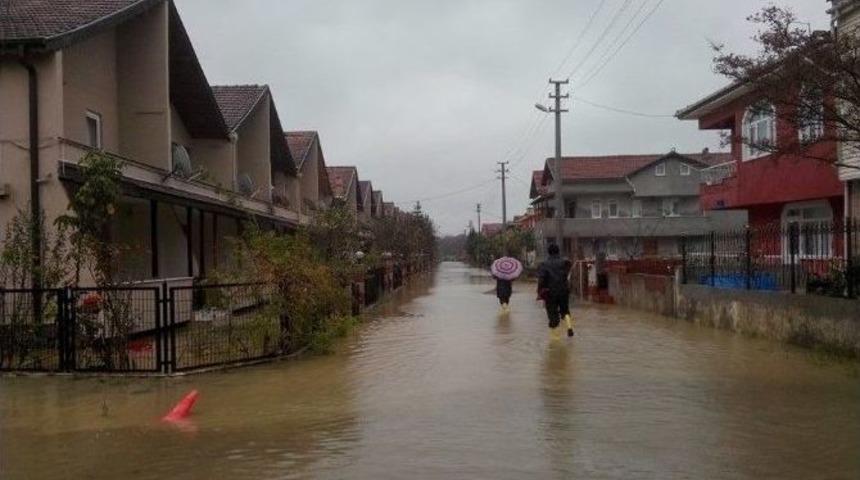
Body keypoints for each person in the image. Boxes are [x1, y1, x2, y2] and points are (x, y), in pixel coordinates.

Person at [537, 244, 575, 339]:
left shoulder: (544, 264)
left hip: (550, 293)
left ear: (548, 252)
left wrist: (539, 291)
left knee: (553, 315)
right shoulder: (565, 263)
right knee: (565, 311)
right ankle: (569, 327)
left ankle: (556, 339)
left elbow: (541, 280)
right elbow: (568, 270)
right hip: (564, 291)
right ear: (558, 251)